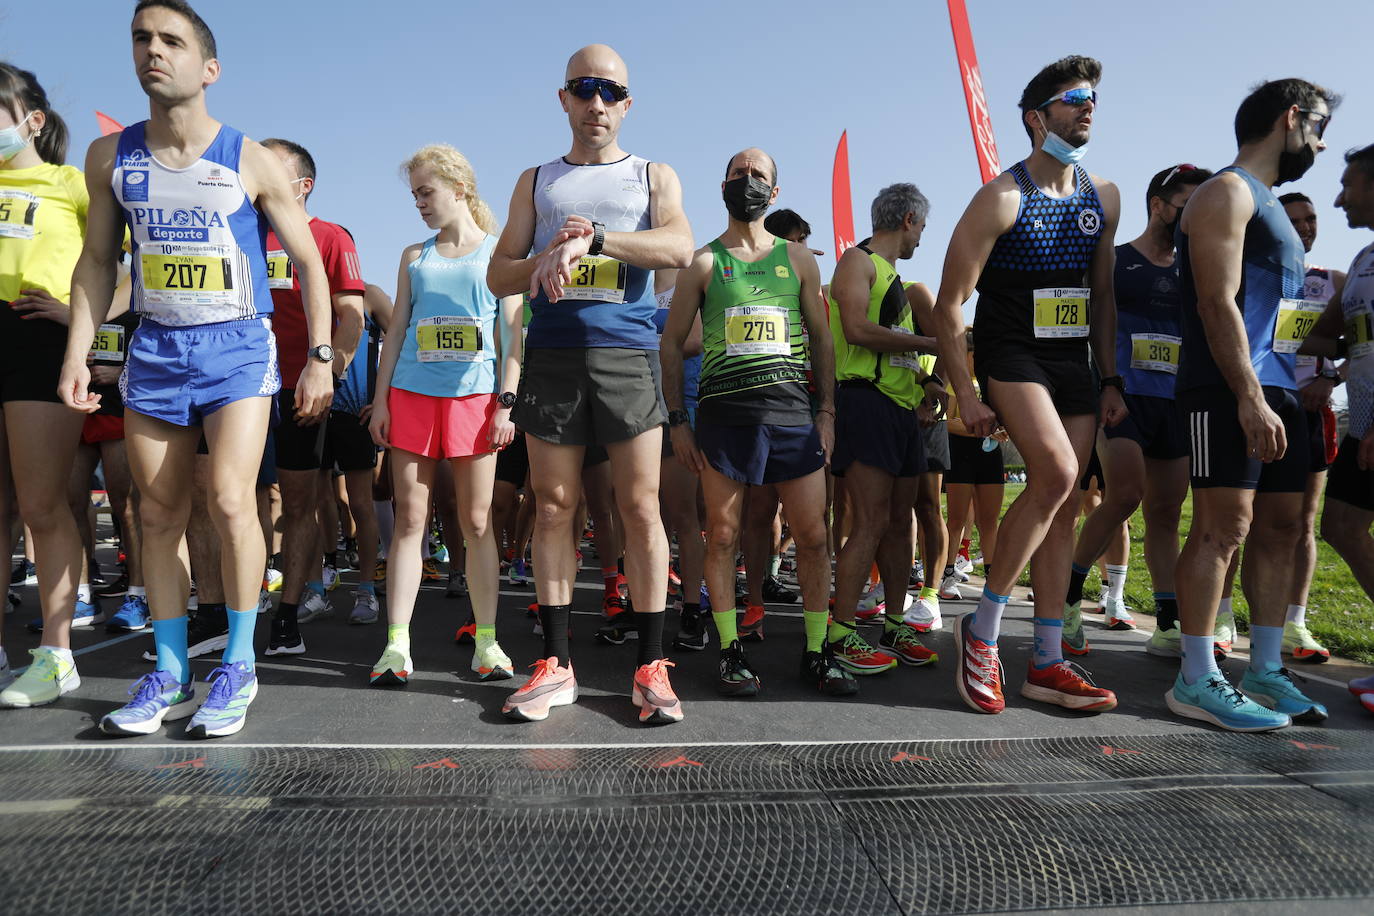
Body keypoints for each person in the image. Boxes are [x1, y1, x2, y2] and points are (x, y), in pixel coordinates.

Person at [60, 0, 335, 737]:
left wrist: (319, 357)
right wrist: (76, 353)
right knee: (155, 514)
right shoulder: (108, 157)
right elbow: (97, 262)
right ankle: (171, 669)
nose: (154, 50)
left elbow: (308, 261)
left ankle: (238, 666)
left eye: (172, 40)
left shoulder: (251, 158)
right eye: (142, 39)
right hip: (155, 348)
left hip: (238, 347)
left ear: (208, 67)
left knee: (231, 499)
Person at [487, 45, 694, 725]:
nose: (597, 102)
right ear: (565, 98)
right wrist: (550, 251)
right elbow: (498, 274)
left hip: (628, 356)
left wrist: (596, 241)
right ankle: (555, 664)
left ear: (626, 104)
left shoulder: (651, 174)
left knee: (640, 509)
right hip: (552, 357)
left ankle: (651, 666)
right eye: (585, 88)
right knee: (553, 507)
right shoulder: (537, 180)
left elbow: (678, 248)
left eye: (610, 90)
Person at [932, 55, 1125, 716]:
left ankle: (1046, 661)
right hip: (1013, 356)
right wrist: (966, 392)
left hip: (1075, 365)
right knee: (1054, 472)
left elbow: (1103, 298)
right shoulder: (1001, 197)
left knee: (1065, 498)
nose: (1088, 106)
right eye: (1074, 98)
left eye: (1094, 97)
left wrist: (1112, 377)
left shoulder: (1106, 197)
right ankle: (982, 630)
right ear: (1035, 118)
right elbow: (949, 303)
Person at [1168, 78, 1340, 731]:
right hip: (1227, 387)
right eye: (1317, 127)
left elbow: (1283, 318)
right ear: (1291, 117)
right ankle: (1196, 678)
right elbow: (1217, 301)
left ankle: (1265, 670)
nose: (1321, 143)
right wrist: (1245, 394)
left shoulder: (1269, 202)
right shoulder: (1228, 192)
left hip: (1283, 391)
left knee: (1279, 530)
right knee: (1223, 528)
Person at [662, 147, 852, 697]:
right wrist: (678, 420)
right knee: (722, 535)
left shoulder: (799, 260)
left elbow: (821, 337)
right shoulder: (702, 262)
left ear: (775, 193)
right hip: (725, 417)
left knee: (813, 537)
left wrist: (827, 411)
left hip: (793, 414)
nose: (747, 182)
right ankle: (729, 649)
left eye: (758, 176)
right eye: (738, 174)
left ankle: (816, 653)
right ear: (723, 184)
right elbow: (672, 344)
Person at [368, 144, 520, 686]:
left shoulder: (499, 256)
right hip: (411, 396)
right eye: (414, 195)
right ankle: (396, 646)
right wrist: (382, 399)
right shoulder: (415, 256)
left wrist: (506, 402)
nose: (419, 203)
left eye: (426, 192)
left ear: (460, 189)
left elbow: (511, 337)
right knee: (410, 520)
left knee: (477, 522)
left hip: (476, 402)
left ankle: (487, 642)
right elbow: (396, 333)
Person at [1060, 163, 1211, 653]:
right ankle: (1068, 596)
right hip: (1120, 397)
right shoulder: (1117, 260)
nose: (1194, 217)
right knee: (1123, 496)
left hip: (1176, 402)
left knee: (1166, 512)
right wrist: (1103, 383)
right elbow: (1083, 320)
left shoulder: (1198, 268)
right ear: (1158, 206)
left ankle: (1167, 622)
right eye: (1186, 205)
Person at [0, 64, 93, 707]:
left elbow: (120, 268)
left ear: (31, 120)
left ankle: (56, 655)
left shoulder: (71, 183)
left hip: (37, 338)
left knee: (40, 506)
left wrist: (79, 322)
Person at [253, 137, 366, 655]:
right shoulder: (236, 232)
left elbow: (353, 318)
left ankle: (286, 613)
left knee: (298, 502)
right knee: (233, 500)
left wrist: (327, 371)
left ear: (303, 186)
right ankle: (224, 611)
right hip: (238, 385)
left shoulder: (329, 238)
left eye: (271, 169)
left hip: (300, 389)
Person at [828, 183, 942, 679]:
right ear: (909, 220)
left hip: (902, 408)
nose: (922, 238)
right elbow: (854, 329)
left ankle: (894, 621)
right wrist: (931, 340)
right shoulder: (859, 261)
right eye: (922, 228)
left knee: (901, 522)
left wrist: (927, 377)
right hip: (865, 403)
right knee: (869, 522)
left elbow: (897, 346)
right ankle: (840, 632)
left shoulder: (895, 276)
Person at [1302, 143, 1374, 710]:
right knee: (1342, 527)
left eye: (1348, 184)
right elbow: (1320, 337)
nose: (1338, 196)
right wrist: (1346, 352)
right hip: (1363, 426)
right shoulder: (1364, 263)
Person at [1276, 190, 1345, 662]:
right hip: (1263, 403)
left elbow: (1354, 342)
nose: (1305, 227)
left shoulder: (1333, 280)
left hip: (1311, 411)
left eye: (1311, 218)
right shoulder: (1259, 273)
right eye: (1294, 220)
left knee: (1303, 521)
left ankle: (1294, 624)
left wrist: (1328, 376)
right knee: (1239, 520)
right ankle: (1220, 619)